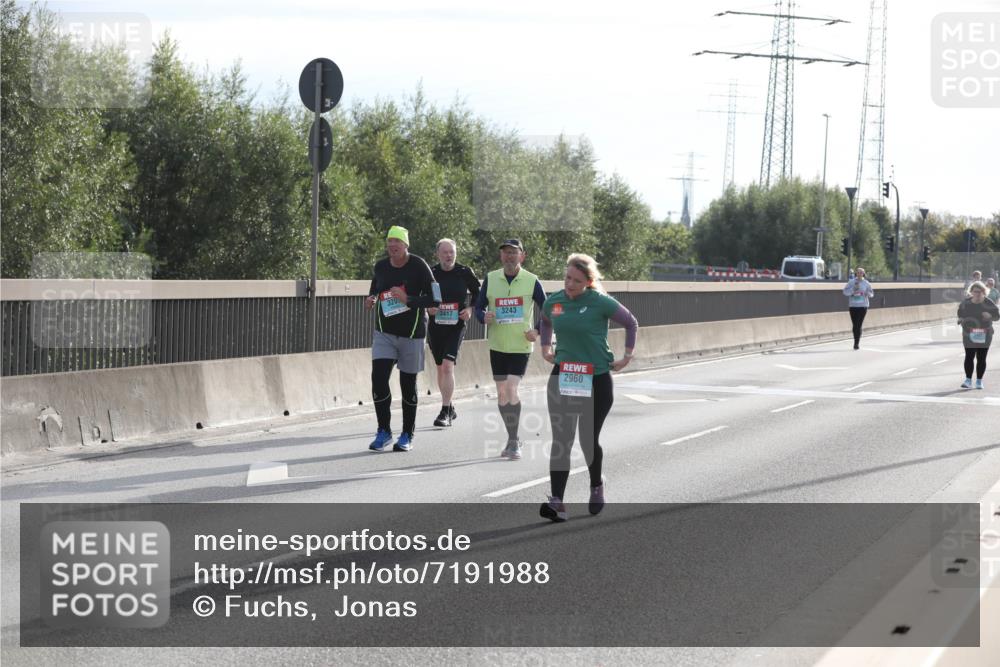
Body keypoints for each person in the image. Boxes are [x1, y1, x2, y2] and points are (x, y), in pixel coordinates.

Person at [537, 254, 638, 523]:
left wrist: (626, 356)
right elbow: (545, 321)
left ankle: (596, 485)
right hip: (564, 376)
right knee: (562, 440)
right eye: (567, 277)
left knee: (587, 440)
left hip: (596, 378)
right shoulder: (555, 302)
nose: (570, 284)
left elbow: (631, 322)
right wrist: (545, 347)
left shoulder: (599, 302)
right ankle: (557, 501)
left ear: (589, 282)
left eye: (576, 280)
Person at [364, 226, 439, 452]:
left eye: (397, 242)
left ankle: (407, 433)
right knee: (378, 379)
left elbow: (435, 299)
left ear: (406, 245)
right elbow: (374, 290)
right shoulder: (381, 267)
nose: (392, 246)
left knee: (408, 385)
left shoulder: (419, 266)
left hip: (412, 334)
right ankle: (384, 431)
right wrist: (371, 300)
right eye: (389, 242)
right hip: (384, 333)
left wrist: (409, 299)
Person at [474, 239, 546, 460]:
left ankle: (514, 442)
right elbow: (478, 306)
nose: (509, 256)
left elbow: (549, 309)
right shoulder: (491, 278)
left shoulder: (532, 280)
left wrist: (538, 330)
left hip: (521, 345)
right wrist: (482, 316)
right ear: (501, 256)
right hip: (497, 344)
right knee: (502, 392)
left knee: (512, 388)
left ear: (522, 256)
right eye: (505, 253)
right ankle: (511, 437)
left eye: (513, 253)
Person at [427, 238, 481, 427]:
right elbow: (420, 295)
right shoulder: (431, 273)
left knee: (449, 366)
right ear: (438, 254)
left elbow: (478, 293)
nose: (449, 256)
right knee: (441, 367)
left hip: (456, 325)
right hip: (436, 326)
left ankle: (444, 410)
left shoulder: (464, 272)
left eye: (452, 252)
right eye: (445, 252)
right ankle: (449, 407)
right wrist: (428, 308)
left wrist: (470, 310)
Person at [957, 281, 999, 390]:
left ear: (984, 292)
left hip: (985, 333)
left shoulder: (988, 303)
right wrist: (960, 319)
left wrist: (990, 316)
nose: (977, 294)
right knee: (969, 356)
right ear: (971, 292)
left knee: (981, 357)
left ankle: (979, 381)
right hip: (969, 333)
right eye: (975, 291)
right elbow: (960, 313)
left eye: (980, 291)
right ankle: (968, 380)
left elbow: (997, 316)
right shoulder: (966, 303)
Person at [842, 267, 875, 350]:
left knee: (859, 324)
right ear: (856, 273)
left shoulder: (866, 283)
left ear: (863, 274)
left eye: (861, 273)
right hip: (853, 306)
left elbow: (872, 294)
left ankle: (856, 343)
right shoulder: (851, 282)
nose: (859, 274)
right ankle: (855, 340)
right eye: (858, 272)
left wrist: (866, 293)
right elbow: (845, 292)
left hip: (863, 306)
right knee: (854, 325)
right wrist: (853, 290)